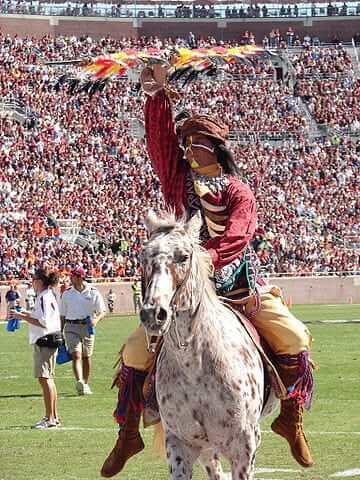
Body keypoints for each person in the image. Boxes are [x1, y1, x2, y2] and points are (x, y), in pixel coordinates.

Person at [100, 64, 315, 477]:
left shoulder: (238, 191)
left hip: (236, 290)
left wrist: (204, 260)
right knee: (132, 351)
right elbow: (160, 147)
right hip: (183, 293)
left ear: (216, 148)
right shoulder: (179, 184)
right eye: (187, 145)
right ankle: (128, 433)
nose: (189, 151)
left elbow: (238, 236)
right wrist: (156, 98)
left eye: (198, 144)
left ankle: (291, 418)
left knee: (293, 336)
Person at [8, 268, 61, 429]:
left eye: (33, 279)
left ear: (39, 281)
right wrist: (26, 313)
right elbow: (41, 317)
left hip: (45, 340)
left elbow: (43, 322)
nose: (32, 282)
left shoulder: (44, 297)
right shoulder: (47, 296)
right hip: (50, 338)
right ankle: (54, 416)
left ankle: (49, 418)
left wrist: (21, 316)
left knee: (45, 379)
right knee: (48, 379)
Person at [60, 266, 106, 395]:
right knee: (76, 354)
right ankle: (79, 381)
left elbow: (102, 311)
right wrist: (60, 331)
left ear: (80, 277)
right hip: (71, 327)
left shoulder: (93, 292)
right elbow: (62, 315)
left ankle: (85, 383)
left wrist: (96, 320)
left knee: (86, 356)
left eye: (73, 276)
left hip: (87, 327)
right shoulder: (67, 293)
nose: (70, 278)